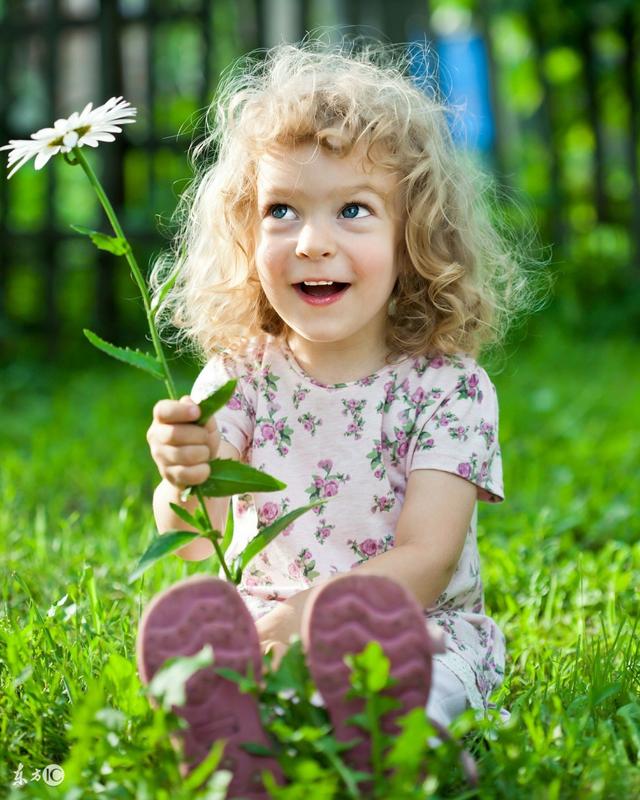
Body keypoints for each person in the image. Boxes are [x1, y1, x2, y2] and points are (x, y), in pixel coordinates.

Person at [138, 39, 534, 797]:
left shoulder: (447, 386)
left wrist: (311, 621)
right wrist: (181, 475)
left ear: (412, 233)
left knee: (422, 682)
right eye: (281, 211)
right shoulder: (240, 377)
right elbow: (195, 542)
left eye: (353, 209)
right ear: (247, 236)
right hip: (262, 625)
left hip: (412, 628)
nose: (312, 241)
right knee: (226, 664)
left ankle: (395, 744)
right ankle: (241, 746)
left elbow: (428, 556)